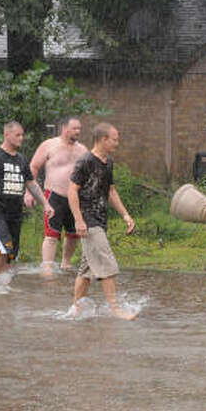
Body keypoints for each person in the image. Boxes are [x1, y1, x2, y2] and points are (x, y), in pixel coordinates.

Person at [69, 122, 137, 320]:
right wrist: (78, 220)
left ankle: (76, 309)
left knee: (86, 270)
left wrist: (125, 215)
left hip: (100, 219)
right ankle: (115, 309)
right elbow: (71, 190)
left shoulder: (108, 162)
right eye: (114, 139)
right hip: (88, 221)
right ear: (103, 139)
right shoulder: (85, 162)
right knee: (107, 263)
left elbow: (111, 191)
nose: (118, 143)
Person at [0, 121, 54, 277]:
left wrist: (46, 204)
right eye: (17, 135)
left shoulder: (21, 159)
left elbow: (32, 184)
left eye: (22, 135)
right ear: (7, 135)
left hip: (15, 213)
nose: (21, 138)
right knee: (2, 249)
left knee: (11, 252)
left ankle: (4, 283)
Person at [25, 116, 89, 276]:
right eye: (75, 128)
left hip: (75, 198)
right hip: (53, 194)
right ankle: (47, 266)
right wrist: (29, 192)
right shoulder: (49, 145)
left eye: (79, 129)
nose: (78, 132)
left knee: (73, 234)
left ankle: (65, 263)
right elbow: (33, 167)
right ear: (64, 128)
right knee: (52, 234)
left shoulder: (83, 150)